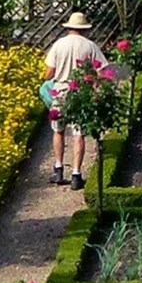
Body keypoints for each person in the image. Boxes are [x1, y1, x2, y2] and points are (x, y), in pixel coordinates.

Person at [42, 11, 110, 186]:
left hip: (60, 92)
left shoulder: (58, 44)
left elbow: (49, 73)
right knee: (78, 133)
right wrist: (96, 89)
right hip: (81, 93)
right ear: (84, 29)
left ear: (69, 28)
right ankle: (76, 175)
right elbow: (103, 72)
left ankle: (58, 169)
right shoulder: (90, 46)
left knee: (58, 130)